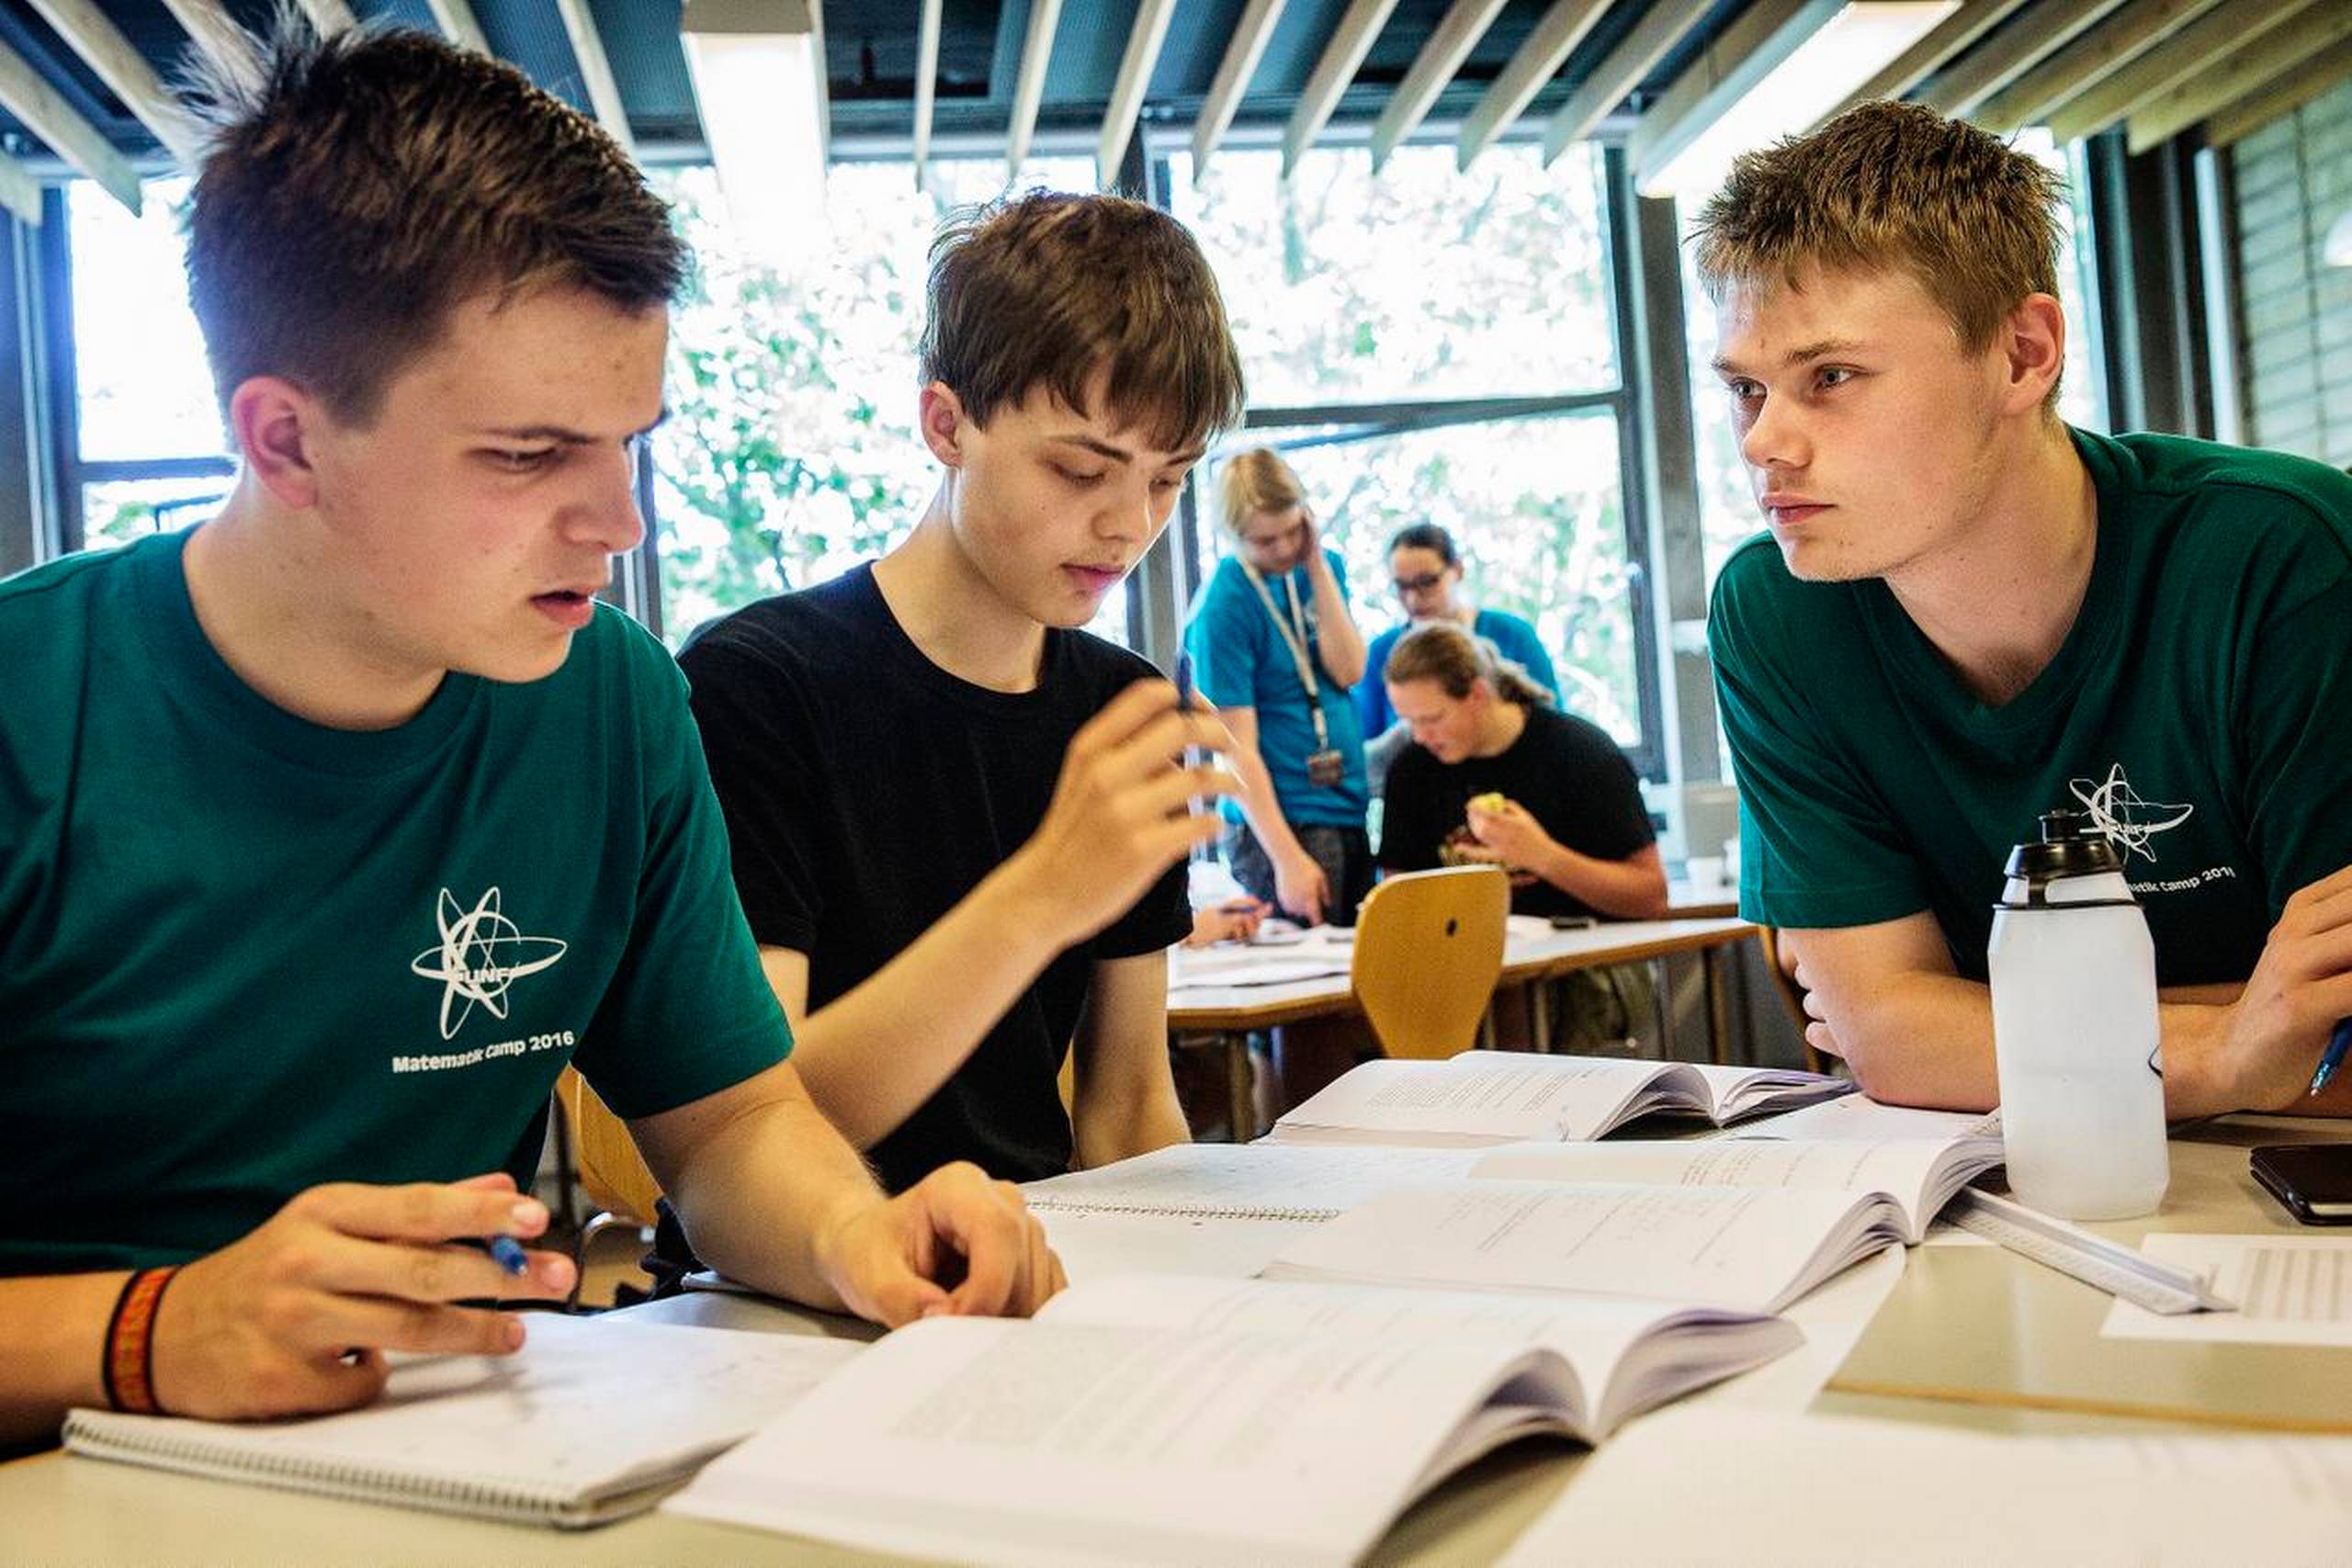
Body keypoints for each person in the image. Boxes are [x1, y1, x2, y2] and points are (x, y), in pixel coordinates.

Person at [0, 23, 1058, 1447]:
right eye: (525, 453)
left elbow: (731, 1125)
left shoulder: (610, 700)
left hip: (461, 1462)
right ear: (286, 439)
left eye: (629, 440)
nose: (617, 523)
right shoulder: (32, 704)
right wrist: (146, 1329)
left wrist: (850, 1240)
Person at [1699, 100, 2352, 1117]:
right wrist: (2229, 1044)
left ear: (2020, 354)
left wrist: (1978, 1023)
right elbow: (1888, 1041)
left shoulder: (2282, 559)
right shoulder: (1776, 610)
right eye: (1745, 390)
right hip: (2010, 1197)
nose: (1762, 444)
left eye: (1830, 376)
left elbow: (2339, 1044)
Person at [675, 193, 1245, 1193]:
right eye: (1080, 470)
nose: (1126, 526)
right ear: (946, 424)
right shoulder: (757, 685)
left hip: (1034, 1256)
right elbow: (753, 1127)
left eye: (1168, 481)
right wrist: (1042, 894)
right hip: (781, 1289)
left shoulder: (1123, 708)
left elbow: (1126, 1109)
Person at [1183, 448, 1373, 927]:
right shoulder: (1223, 607)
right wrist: (1287, 859)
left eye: (1293, 531)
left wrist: (1316, 567)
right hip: (1284, 821)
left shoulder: (1318, 569)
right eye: (1266, 540)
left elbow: (1350, 671)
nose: (1284, 548)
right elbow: (1235, 749)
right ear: (1233, 535)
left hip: (1343, 805)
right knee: (1323, 981)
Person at [1379, 622, 1664, 922]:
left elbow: (1651, 897)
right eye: (1409, 721)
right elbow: (1399, 901)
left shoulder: (1581, 753)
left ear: (1478, 694)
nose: (1420, 736)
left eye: (1432, 719)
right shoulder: (1412, 770)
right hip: (1466, 958)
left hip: (1585, 952)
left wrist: (1542, 855)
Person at [1353, 523, 1559, 748]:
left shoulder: (1512, 634)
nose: (1413, 598)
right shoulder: (1382, 652)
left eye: (1427, 582)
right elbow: (1366, 743)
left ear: (1458, 570)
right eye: (1402, 586)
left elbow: (1550, 721)